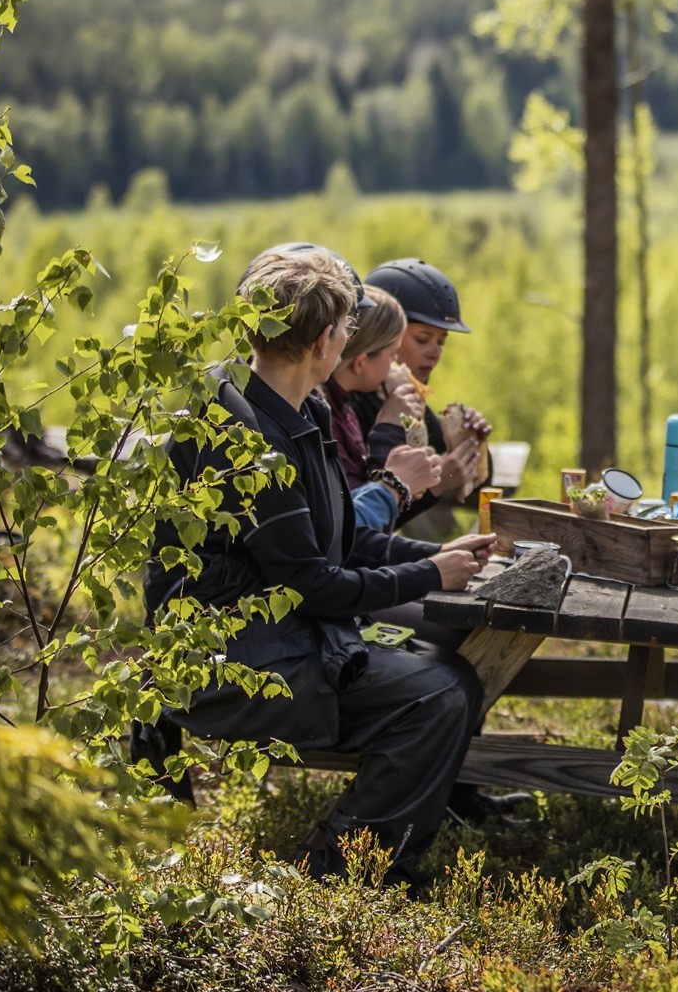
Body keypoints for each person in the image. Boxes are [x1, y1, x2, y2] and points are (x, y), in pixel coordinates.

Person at [142, 244, 498, 889]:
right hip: (234, 661)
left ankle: (360, 854)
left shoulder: (302, 411)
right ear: (325, 340)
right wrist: (430, 576)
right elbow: (311, 583)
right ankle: (339, 874)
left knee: (454, 675)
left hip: (283, 637)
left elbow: (334, 544)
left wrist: (439, 557)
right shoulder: (242, 432)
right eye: (345, 329)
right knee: (439, 695)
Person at [356, 258, 491, 535]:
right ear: (384, 333)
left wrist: (472, 442)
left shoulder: (404, 398)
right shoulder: (351, 405)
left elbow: (471, 479)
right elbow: (365, 521)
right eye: (422, 338)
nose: (435, 352)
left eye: (441, 342)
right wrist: (442, 481)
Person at [320, 286, 441, 532]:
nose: (396, 366)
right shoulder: (326, 415)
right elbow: (360, 526)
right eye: (393, 355)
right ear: (362, 361)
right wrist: (388, 429)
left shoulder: (345, 406)